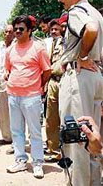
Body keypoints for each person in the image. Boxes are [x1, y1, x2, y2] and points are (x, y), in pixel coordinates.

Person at [58, 0, 103, 186]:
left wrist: (82, 57)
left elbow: (90, 29)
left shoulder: (77, 11)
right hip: (95, 77)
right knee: (93, 139)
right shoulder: (96, 12)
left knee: (76, 138)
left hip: (79, 77)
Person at [5, 15, 51, 178]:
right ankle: (20, 161)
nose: (17, 31)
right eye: (15, 28)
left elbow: (47, 71)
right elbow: (8, 70)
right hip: (13, 96)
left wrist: (38, 86)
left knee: (35, 131)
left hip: (31, 97)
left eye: (21, 29)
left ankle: (38, 163)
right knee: (16, 131)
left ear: (29, 30)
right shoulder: (10, 49)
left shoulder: (38, 48)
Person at [45, 16, 65, 162]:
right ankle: (53, 149)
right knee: (51, 117)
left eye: (57, 29)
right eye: (52, 29)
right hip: (53, 81)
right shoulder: (51, 44)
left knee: (65, 116)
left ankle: (67, 150)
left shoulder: (71, 41)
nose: (54, 31)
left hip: (66, 80)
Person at [0, 25, 14, 147]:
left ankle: (16, 139)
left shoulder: (17, 45)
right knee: (3, 111)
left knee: (14, 110)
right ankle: (6, 137)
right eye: (6, 32)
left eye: (10, 32)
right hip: (2, 81)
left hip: (14, 81)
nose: (8, 34)